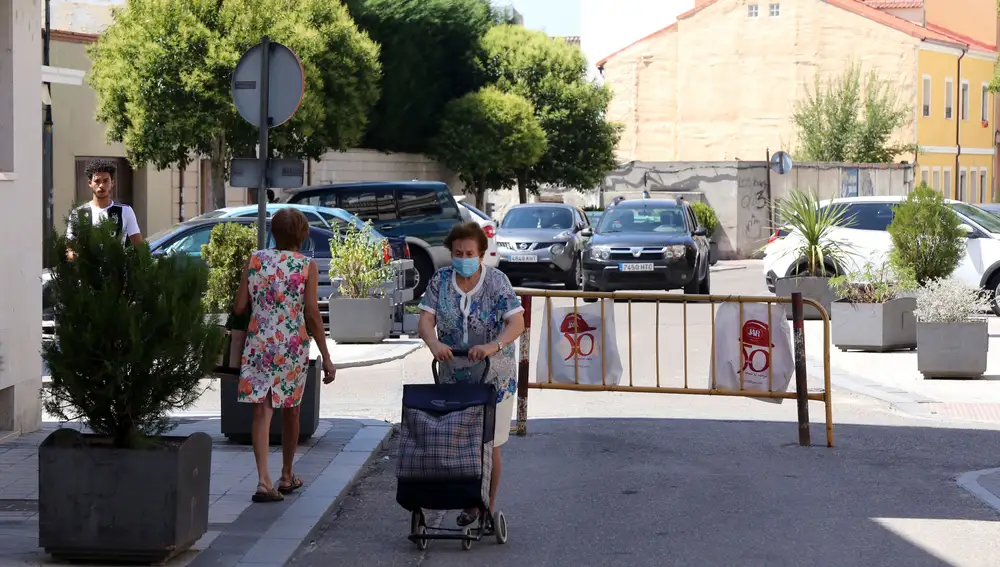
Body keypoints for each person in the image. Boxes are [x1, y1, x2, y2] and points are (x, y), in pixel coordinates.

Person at [417, 221, 526, 527]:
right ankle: (467, 500)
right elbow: (425, 320)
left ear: (480, 254)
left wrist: (493, 345)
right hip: (454, 372)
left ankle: (484, 506)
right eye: (457, 252)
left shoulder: (497, 282)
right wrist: (434, 342)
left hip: (495, 374)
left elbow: (516, 324)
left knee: (489, 443)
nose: (463, 257)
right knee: (458, 441)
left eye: (469, 252)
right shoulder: (440, 280)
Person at [233, 208, 337, 503]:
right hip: (291, 345)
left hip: (259, 343)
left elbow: (240, 307)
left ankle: (263, 480)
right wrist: (326, 356)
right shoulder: (307, 266)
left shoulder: (255, 259)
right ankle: (287, 475)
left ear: (274, 233)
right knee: (291, 409)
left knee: (261, 410)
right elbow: (312, 314)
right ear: (302, 235)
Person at [66, 159, 143, 258]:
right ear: (90, 183)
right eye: (97, 181)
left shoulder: (125, 211)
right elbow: (69, 249)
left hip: (116, 271)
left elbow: (140, 247)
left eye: (106, 181)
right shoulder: (78, 213)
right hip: (88, 271)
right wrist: (75, 257)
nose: (101, 185)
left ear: (112, 183)